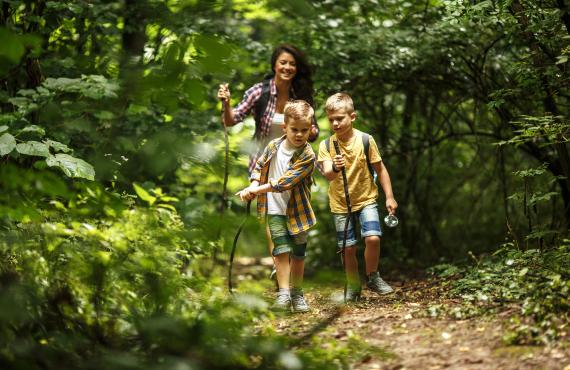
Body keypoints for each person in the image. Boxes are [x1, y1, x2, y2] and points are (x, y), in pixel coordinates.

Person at [217, 44, 318, 279]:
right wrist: (226, 103)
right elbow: (232, 120)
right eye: (283, 62)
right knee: (273, 212)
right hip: (264, 163)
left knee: (293, 209)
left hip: (294, 163)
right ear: (274, 64)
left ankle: (288, 260)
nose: (288, 67)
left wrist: (306, 131)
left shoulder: (300, 94)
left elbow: (313, 131)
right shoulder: (258, 92)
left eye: (292, 63)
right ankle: (279, 264)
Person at [235, 100, 316, 312]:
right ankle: (283, 294)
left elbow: (284, 182)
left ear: (311, 129)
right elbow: (259, 165)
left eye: (304, 130)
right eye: (294, 130)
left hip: (298, 212)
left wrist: (255, 190)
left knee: (298, 254)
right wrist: (253, 183)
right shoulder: (273, 146)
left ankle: (297, 294)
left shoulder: (308, 155)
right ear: (285, 128)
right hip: (274, 210)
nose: (299, 134)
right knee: (280, 251)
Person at [318, 93, 398, 302]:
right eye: (331, 119)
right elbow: (328, 173)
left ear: (352, 117)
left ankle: (373, 276)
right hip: (340, 202)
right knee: (347, 248)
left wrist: (389, 197)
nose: (335, 123)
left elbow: (380, 170)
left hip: (366, 198)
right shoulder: (326, 145)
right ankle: (353, 284)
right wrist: (335, 166)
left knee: (372, 238)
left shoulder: (365, 140)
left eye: (340, 118)